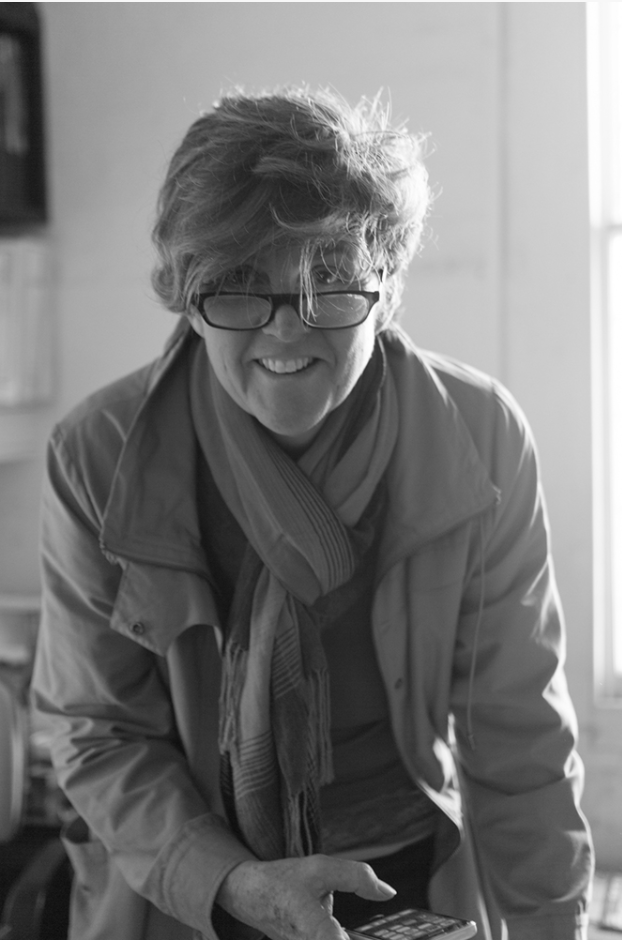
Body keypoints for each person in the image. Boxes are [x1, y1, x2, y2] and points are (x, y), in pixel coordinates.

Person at [32, 87, 593, 940]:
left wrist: (553, 924)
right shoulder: (98, 455)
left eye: (328, 283)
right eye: (239, 288)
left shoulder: (479, 434)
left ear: (387, 288)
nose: (287, 332)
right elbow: (97, 732)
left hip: (408, 873)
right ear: (186, 296)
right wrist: (236, 884)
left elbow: (519, 730)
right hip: (185, 887)